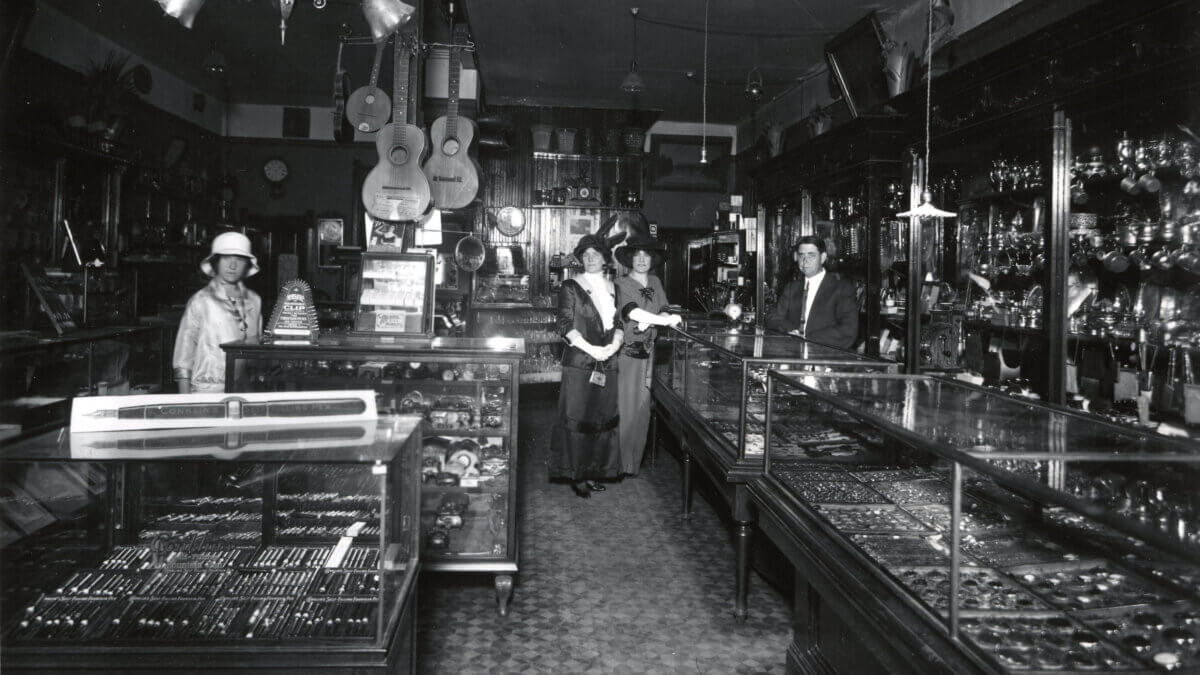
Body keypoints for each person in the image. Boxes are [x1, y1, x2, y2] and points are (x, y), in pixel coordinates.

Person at [549, 228, 626, 498]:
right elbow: (565, 325)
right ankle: (576, 473)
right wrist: (592, 349)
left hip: (607, 361)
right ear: (580, 259)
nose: (591, 258)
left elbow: (618, 323)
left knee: (602, 418)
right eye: (586, 254)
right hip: (580, 361)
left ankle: (595, 470)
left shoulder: (614, 288)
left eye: (596, 254)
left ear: (606, 259)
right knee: (577, 417)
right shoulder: (571, 286)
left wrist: (612, 347)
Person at [614, 230, 681, 477]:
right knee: (625, 409)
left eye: (646, 255)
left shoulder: (655, 282)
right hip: (627, 355)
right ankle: (619, 464)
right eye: (637, 255)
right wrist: (662, 320)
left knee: (643, 410)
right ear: (629, 258)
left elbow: (664, 310)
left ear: (652, 259)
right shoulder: (621, 284)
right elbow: (633, 313)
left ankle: (633, 463)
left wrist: (661, 319)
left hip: (650, 355)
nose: (642, 259)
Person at [173, 232, 262, 393]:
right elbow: (183, 357)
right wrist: (184, 402)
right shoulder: (200, 300)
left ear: (247, 264)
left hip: (243, 390)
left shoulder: (254, 301)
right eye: (226, 258)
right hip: (206, 391)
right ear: (216, 261)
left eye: (240, 259)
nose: (233, 265)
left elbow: (256, 354)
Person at [765, 235, 857, 349]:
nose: (805, 261)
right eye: (801, 255)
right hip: (795, 356)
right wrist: (791, 332)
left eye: (811, 255)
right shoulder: (791, 288)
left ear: (823, 258)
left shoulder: (841, 288)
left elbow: (848, 330)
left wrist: (807, 338)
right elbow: (773, 318)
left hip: (825, 358)